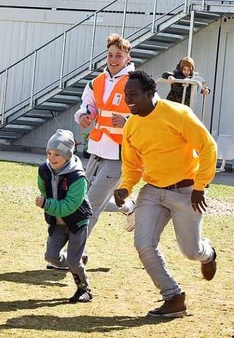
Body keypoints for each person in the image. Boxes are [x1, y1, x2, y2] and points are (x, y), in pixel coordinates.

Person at [114, 70, 217, 318]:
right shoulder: (131, 127)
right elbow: (132, 166)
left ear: (150, 93)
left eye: (133, 94)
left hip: (186, 191)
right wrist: (125, 187)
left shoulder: (177, 114)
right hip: (152, 192)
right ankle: (173, 297)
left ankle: (208, 254)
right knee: (143, 244)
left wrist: (200, 186)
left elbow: (207, 147)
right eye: (126, 95)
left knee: (190, 252)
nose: (128, 100)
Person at [73, 33, 136, 238]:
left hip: (119, 154)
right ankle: (129, 207)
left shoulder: (137, 83)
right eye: (110, 55)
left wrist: (127, 122)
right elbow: (87, 106)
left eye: (119, 55)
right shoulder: (96, 82)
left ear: (128, 58)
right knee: (82, 200)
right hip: (96, 150)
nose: (113, 59)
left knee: (89, 204)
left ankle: (73, 252)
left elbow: (151, 115)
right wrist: (83, 115)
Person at [36, 129, 93, 303]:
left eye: (57, 154)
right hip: (57, 222)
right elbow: (44, 189)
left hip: (77, 222)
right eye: (49, 153)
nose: (51, 158)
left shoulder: (78, 177)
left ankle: (85, 289)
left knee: (74, 264)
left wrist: (47, 204)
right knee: (51, 257)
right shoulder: (44, 169)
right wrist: (48, 205)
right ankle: (75, 260)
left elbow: (69, 206)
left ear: (67, 156)